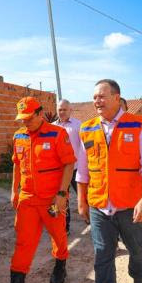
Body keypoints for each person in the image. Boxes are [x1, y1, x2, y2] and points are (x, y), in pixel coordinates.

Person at [76, 79, 142, 283]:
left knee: (137, 250)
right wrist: (81, 200)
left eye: (102, 96)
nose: (97, 101)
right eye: (94, 97)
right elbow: (83, 170)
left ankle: (138, 273)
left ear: (116, 97)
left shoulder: (138, 125)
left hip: (129, 206)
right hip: (100, 207)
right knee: (102, 260)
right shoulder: (87, 129)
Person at [0, 97, 76, 283]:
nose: (25, 122)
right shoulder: (19, 135)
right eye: (22, 119)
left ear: (40, 114)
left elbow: (68, 164)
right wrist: (14, 191)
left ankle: (60, 264)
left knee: (58, 233)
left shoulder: (58, 134)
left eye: (29, 118)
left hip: (52, 198)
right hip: (28, 199)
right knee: (23, 241)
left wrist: (62, 193)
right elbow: (17, 166)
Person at [52, 99, 83, 234]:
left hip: (76, 169)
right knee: (60, 197)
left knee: (85, 197)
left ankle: (93, 223)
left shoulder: (78, 125)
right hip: (58, 171)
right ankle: (63, 227)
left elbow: (84, 147)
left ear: (71, 110)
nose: (62, 112)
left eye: (65, 109)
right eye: (60, 109)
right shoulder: (52, 127)